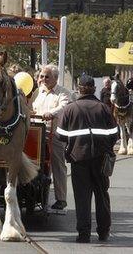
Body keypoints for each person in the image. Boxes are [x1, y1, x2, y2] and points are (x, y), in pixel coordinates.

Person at [55, 75, 118, 243]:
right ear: (94, 89)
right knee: (102, 195)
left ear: (78, 87)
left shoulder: (70, 109)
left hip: (78, 159)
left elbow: (60, 135)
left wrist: (75, 142)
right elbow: (114, 134)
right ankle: (103, 232)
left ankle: (83, 234)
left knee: (82, 198)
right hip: (101, 159)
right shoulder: (103, 108)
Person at [32, 64, 71, 210]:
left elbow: (64, 108)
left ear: (55, 78)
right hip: (35, 133)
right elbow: (30, 108)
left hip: (54, 134)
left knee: (58, 165)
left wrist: (51, 113)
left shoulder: (63, 93)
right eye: (41, 76)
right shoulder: (38, 91)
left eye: (46, 76)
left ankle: (61, 199)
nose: (43, 79)